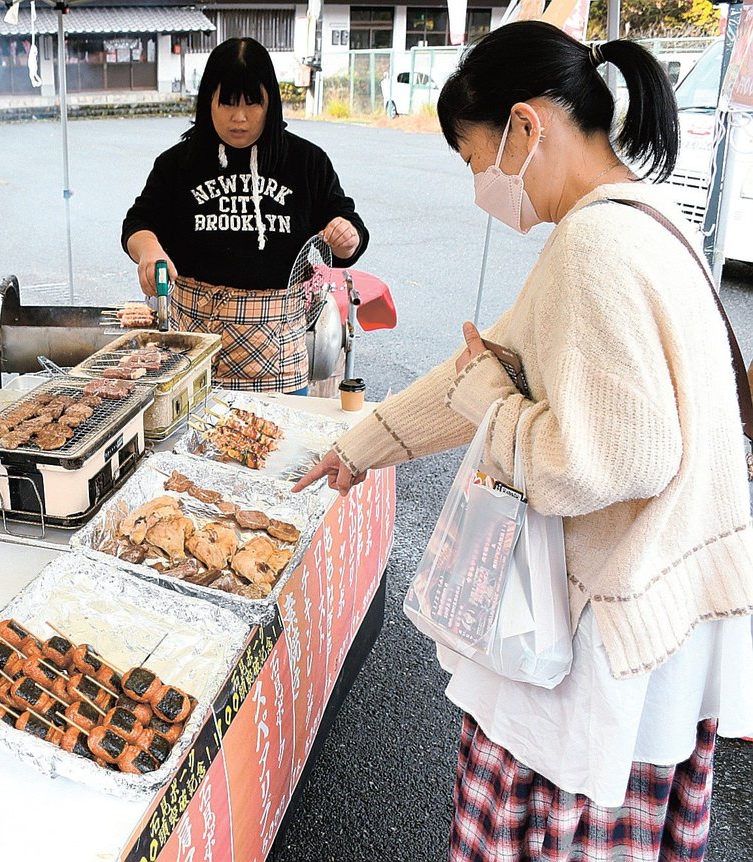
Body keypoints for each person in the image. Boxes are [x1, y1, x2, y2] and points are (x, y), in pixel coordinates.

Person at [295, 21, 753, 859]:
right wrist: (364, 446)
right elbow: (488, 364)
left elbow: (611, 456)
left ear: (524, 127)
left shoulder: (593, 246)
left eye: (475, 160)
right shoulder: (641, 215)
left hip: (606, 628)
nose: (482, 186)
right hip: (661, 620)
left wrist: (495, 402)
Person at [121, 37, 369, 394]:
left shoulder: (306, 162)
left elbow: (349, 229)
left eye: (253, 103)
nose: (239, 117)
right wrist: (148, 250)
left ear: (271, 102)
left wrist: (347, 237)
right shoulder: (178, 164)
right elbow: (139, 222)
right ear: (208, 100)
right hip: (194, 351)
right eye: (227, 103)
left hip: (279, 358)